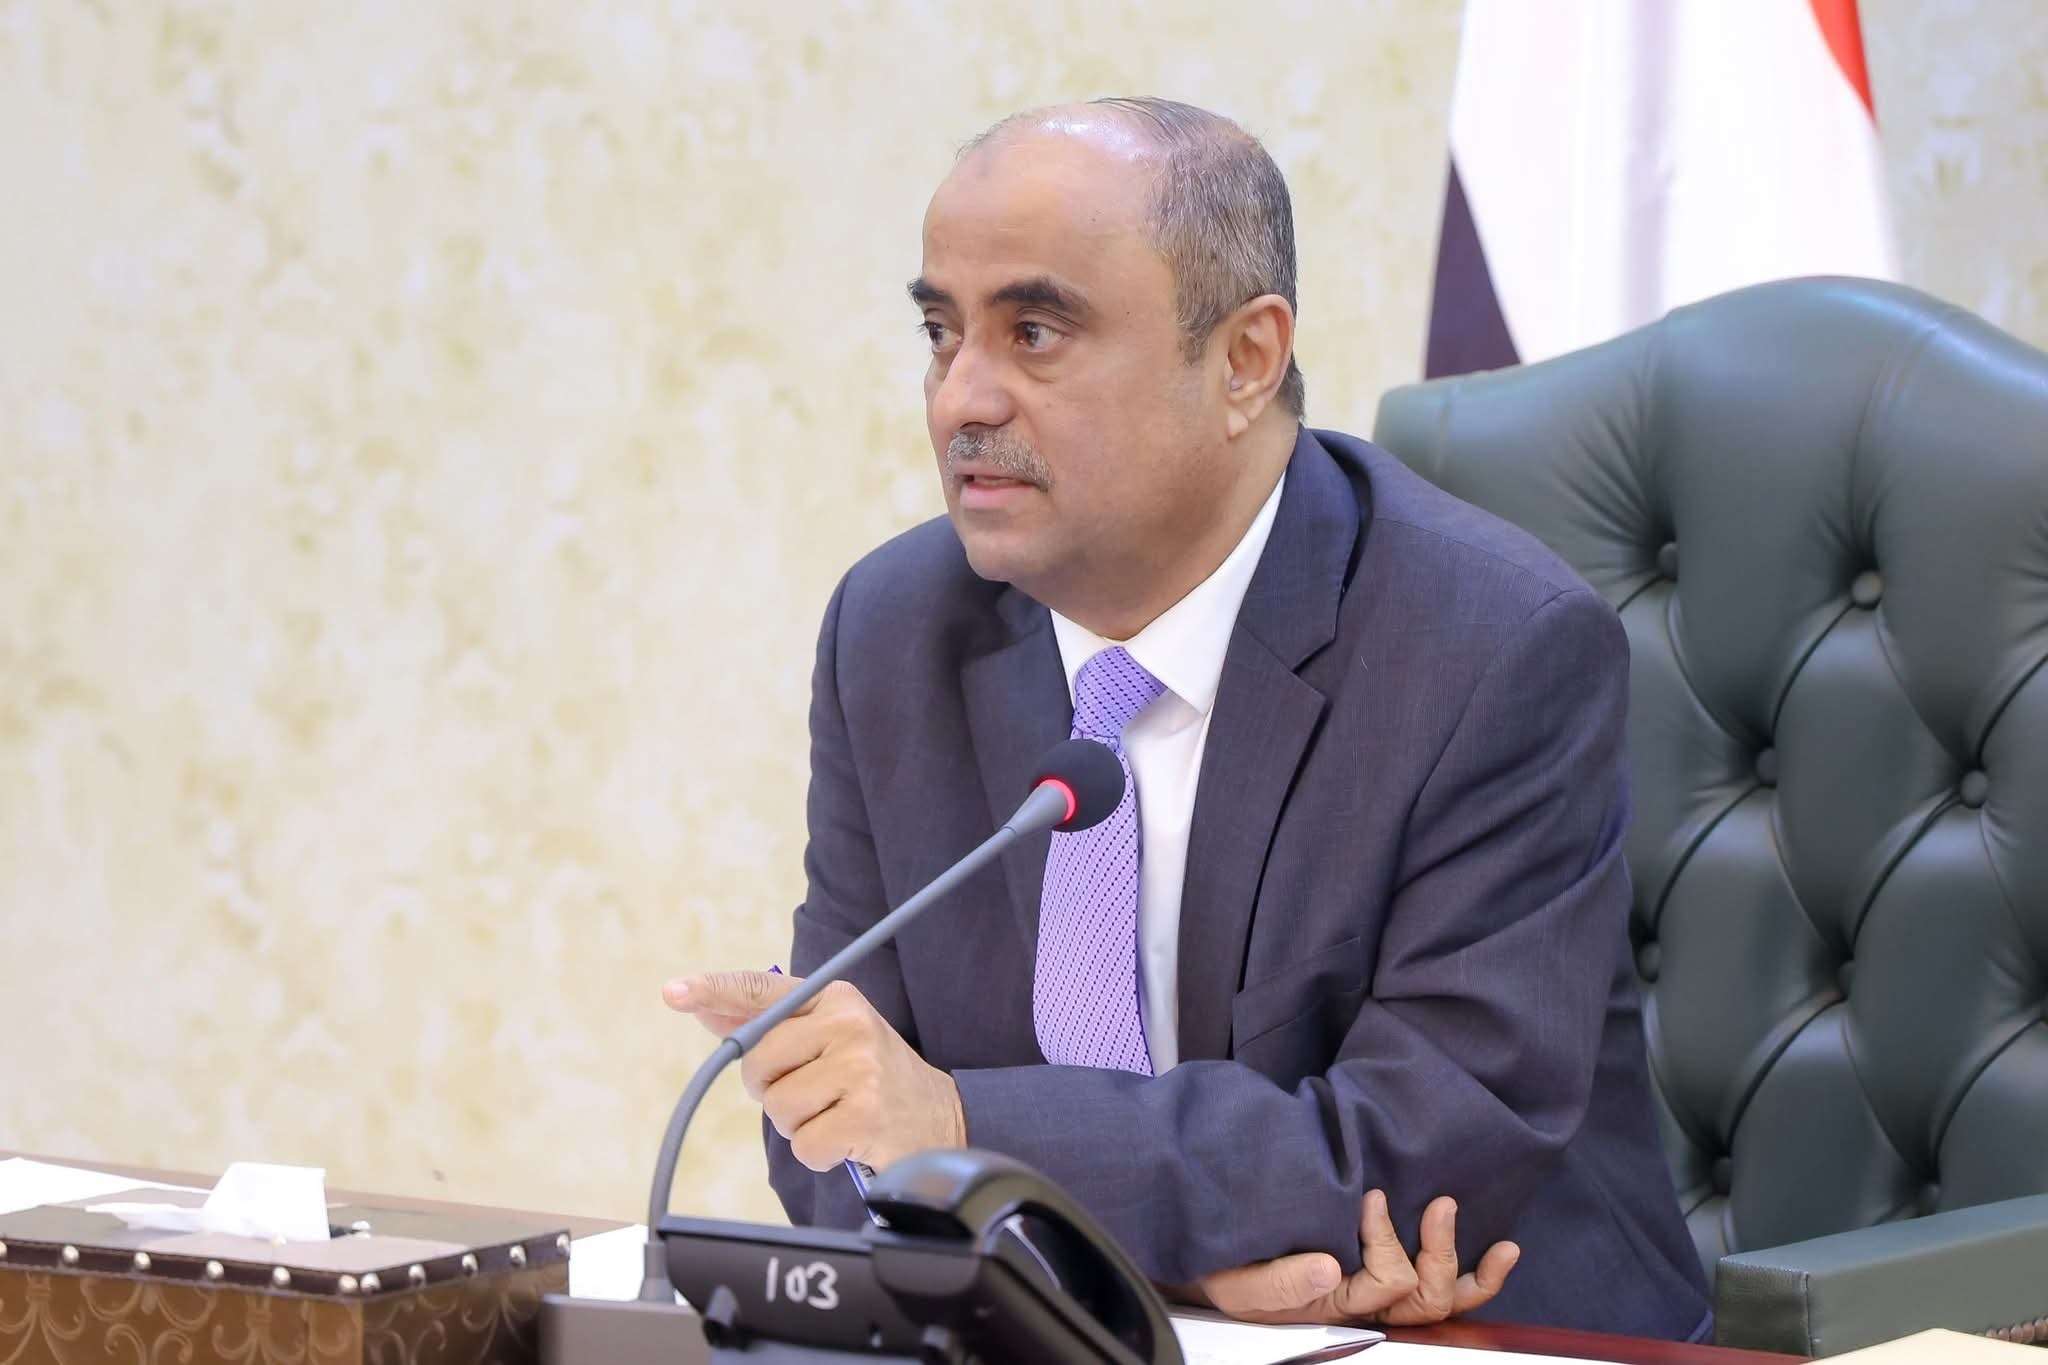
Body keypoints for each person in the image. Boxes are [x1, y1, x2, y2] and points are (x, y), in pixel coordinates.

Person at [667, 97, 1711, 1339]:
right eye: (941, 333)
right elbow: (835, 1127)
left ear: (1244, 361)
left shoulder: (1485, 648)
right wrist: (1171, 1278)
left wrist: (960, 1128)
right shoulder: (897, 632)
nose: (959, 399)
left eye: (1034, 332)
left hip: (1479, 1344)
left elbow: (1418, 1147)